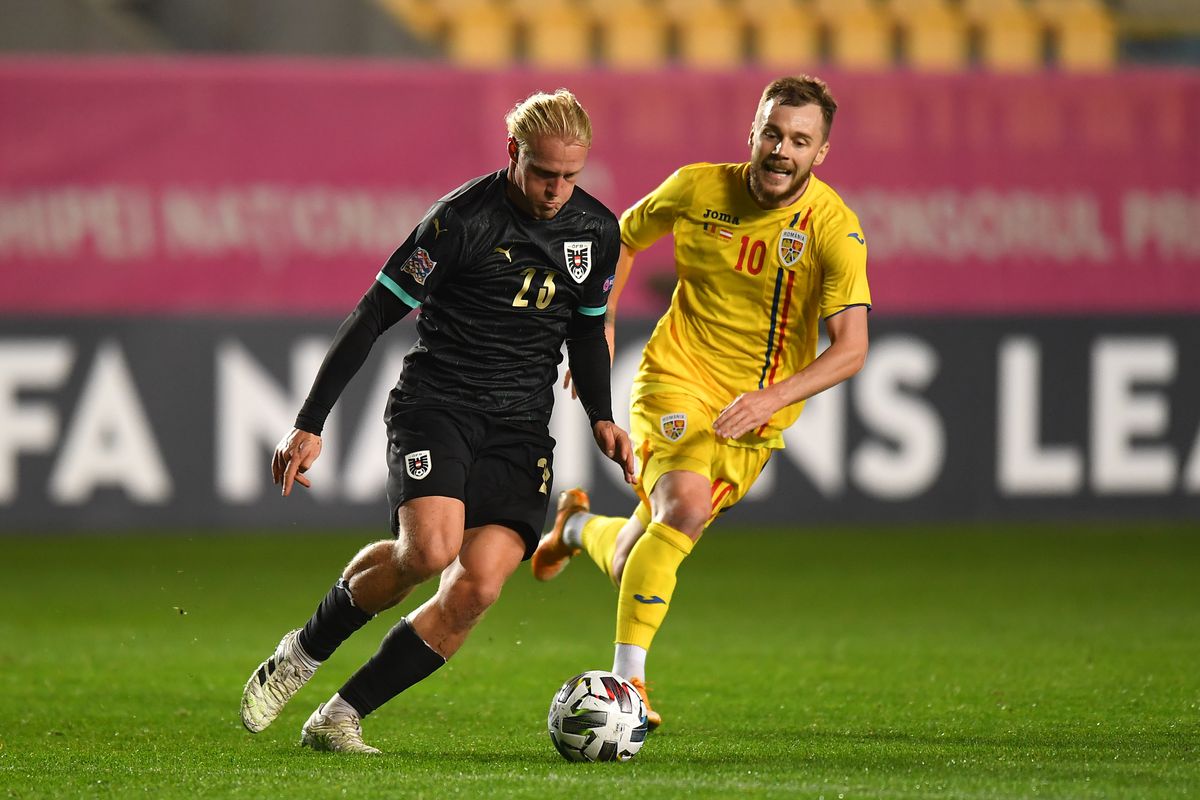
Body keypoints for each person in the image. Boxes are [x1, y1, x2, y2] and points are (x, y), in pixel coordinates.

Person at [239, 89, 635, 754]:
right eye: (544, 172)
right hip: (438, 405)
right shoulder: (459, 222)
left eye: (571, 175)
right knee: (427, 552)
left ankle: (340, 715)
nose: (556, 190)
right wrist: (309, 422)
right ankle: (303, 651)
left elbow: (589, 331)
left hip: (520, 426)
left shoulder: (596, 231)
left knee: (478, 588)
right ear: (513, 153)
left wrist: (602, 415)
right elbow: (373, 313)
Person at [531, 75, 871, 730]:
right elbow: (620, 238)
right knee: (683, 508)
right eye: (773, 133)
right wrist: (600, 324)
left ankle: (574, 528)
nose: (782, 150)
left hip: (750, 418)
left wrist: (771, 397)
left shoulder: (834, 229)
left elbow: (851, 348)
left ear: (821, 152)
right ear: (753, 132)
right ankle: (628, 686)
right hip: (674, 377)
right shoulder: (696, 188)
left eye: (800, 141)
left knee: (638, 556)